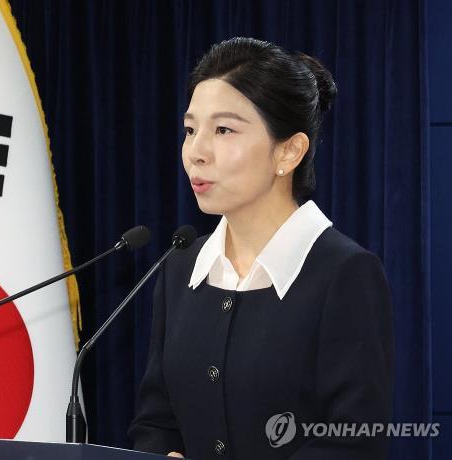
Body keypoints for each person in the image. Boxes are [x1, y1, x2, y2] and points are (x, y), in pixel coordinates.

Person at [128, 37, 394, 460]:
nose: (195, 152)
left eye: (224, 130)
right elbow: (157, 421)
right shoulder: (181, 267)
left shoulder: (345, 274)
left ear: (289, 151)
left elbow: (354, 443)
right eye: (191, 129)